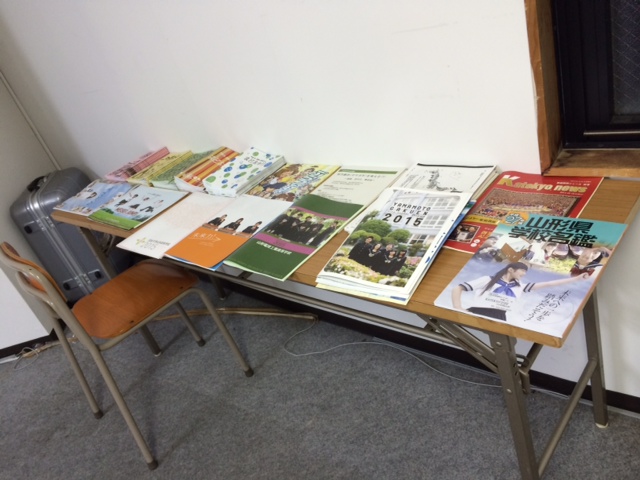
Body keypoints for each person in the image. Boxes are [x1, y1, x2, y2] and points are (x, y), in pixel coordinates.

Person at [451, 261, 590, 321]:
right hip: (477, 311)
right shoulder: (488, 279)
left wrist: (576, 279)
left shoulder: (520, 287)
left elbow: (549, 283)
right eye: (522, 270)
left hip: (500, 316)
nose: (524, 274)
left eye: (525, 271)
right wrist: (458, 307)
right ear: (511, 270)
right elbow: (458, 288)